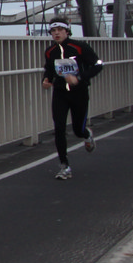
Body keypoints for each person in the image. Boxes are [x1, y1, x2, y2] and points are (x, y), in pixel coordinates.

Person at [42, 20, 103, 180]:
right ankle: (64, 165)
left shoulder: (80, 47)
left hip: (79, 92)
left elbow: (98, 64)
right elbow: (49, 69)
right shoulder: (50, 51)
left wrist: (79, 78)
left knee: (78, 129)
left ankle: (86, 134)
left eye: (60, 29)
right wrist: (46, 79)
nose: (56, 33)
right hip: (60, 93)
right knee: (59, 128)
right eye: (53, 30)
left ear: (67, 31)